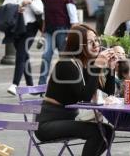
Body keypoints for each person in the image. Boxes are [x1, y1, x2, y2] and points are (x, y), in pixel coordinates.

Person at [35, 24, 116, 156]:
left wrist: (111, 69)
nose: (96, 45)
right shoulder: (66, 64)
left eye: (97, 40)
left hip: (68, 119)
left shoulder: (84, 65)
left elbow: (108, 94)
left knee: (108, 131)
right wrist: (97, 66)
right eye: (90, 42)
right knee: (96, 132)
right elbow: (85, 96)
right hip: (47, 123)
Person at [3, 0, 43, 95]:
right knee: (24, 56)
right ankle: (31, 86)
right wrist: (16, 9)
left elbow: (40, 10)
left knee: (20, 55)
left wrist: (30, 2)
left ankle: (15, 84)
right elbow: (3, 10)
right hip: (15, 29)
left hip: (30, 28)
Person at [38, 0, 79, 85]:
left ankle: (66, 84)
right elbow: (44, 17)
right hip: (49, 31)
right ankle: (41, 85)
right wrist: (42, 34)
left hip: (63, 31)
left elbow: (74, 19)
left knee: (64, 58)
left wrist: (71, 36)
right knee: (46, 56)